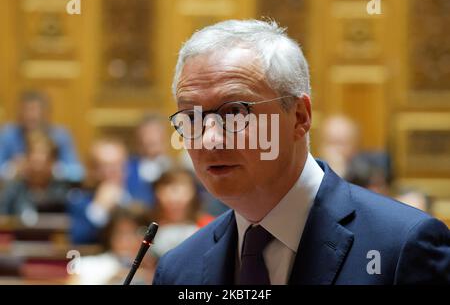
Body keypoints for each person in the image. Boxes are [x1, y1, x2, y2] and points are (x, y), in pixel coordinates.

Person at [152, 19, 449, 285]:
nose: (209, 139)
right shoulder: (179, 269)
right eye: (191, 117)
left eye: (235, 112)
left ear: (299, 116)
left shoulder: (402, 246)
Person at [0, 91, 84, 182]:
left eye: (34, 110)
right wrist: (14, 169)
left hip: (52, 190)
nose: (30, 116)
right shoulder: (7, 134)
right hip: (18, 189)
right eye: (26, 110)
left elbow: (78, 173)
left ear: (45, 112)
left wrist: (52, 168)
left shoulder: (60, 135)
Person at [68, 138, 135, 244]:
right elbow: (79, 240)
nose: (114, 170)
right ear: (93, 171)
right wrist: (99, 209)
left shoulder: (139, 195)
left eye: (118, 164)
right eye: (106, 166)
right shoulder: (79, 200)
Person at [69, 204, 155, 285]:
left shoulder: (157, 269)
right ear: (109, 236)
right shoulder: (86, 266)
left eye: (134, 232)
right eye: (121, 233)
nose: (127, 240)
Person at [0, 131, 69, 225]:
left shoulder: (62, 191)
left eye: (42, 162)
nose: (37, 168)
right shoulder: (13, 189)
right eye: (34, 161)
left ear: (52, 163)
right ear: (27, 160)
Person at [149, 169, 214, 259]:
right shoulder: (149, 225)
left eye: (180, 188)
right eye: (169, 188)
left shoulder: (209, 225)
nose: (174, 197)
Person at [125, 113, 172, 207]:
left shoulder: (174, 168)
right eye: (147, 133)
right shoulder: (126, 169)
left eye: (156, 132)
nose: (151, 138)